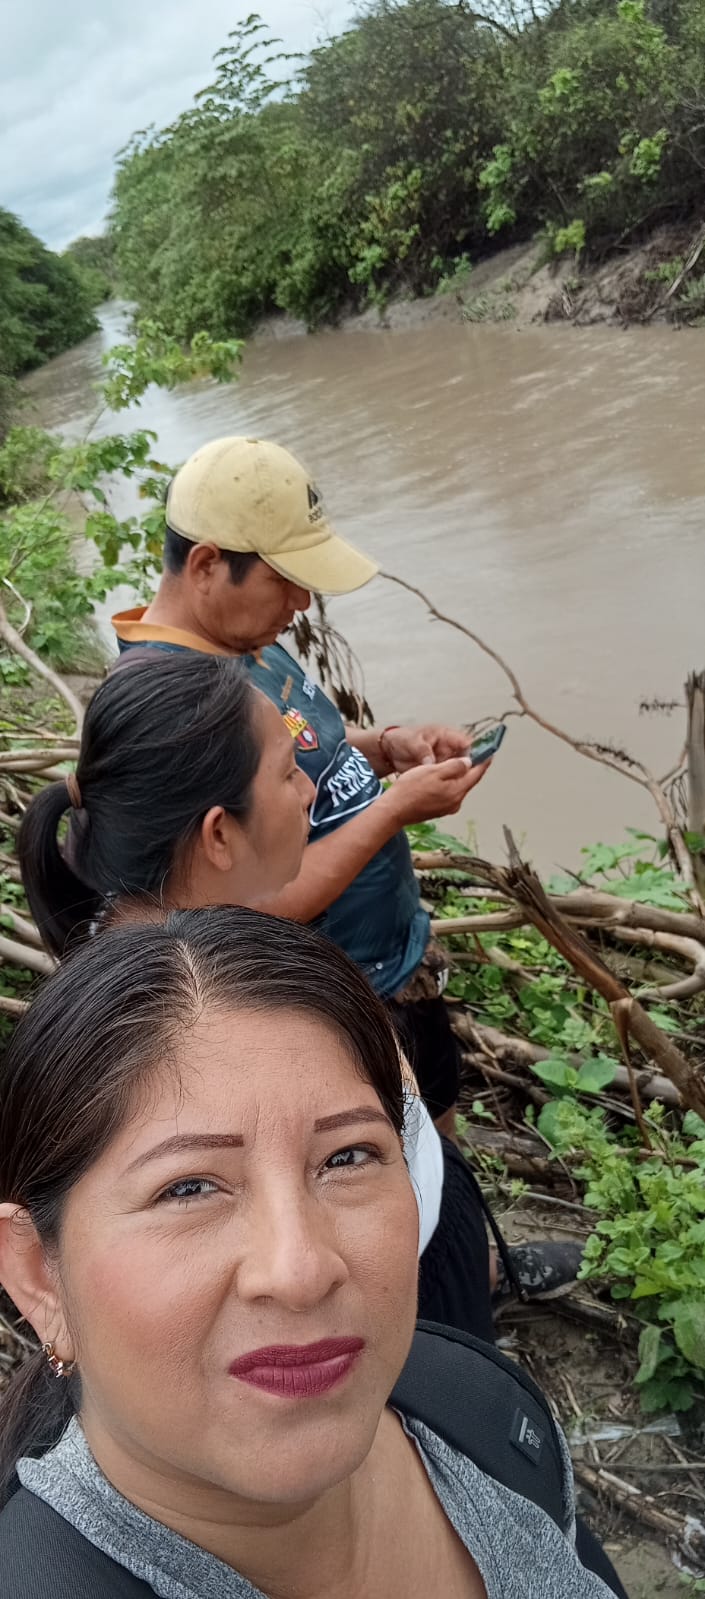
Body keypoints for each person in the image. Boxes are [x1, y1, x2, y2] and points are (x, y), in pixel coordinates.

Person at [0, 908, 621, 1597]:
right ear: (38, 1276)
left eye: (347, 1156)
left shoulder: (479, 1409)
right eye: (187, 1187)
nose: (300, 1271)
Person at [17, 654, 578, 1342]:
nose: (311, 790)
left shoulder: (162, 944)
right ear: (219, 834)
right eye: (288, 774)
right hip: (397, 1300)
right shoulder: (211, 1024)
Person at [110, 434, 489, 1139]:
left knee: (443, 1152)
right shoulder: (177, 708)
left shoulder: (246, 638)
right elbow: (249, 901)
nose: (303, 600)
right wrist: (395, 811)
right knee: (390, 1172)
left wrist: (388, 747)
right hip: (334, 1006)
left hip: (396, 965)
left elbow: (309, 749)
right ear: (207, 566)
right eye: (283, 578)